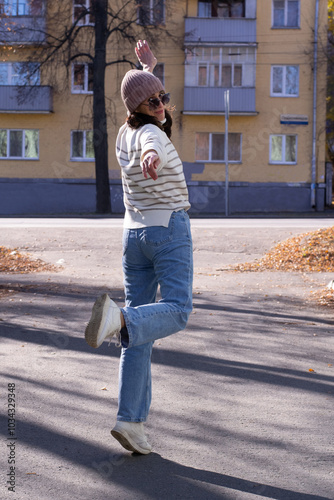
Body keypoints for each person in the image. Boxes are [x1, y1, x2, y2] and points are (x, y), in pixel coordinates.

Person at [85, 40, 193, 455]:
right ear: (139, 107)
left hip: (134, 236)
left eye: (163, 96)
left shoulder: (123, 133)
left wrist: (145, 68)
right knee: (178, 310)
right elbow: (153, 140)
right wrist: (152, 156)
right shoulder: (149, 134)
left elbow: (147, 122)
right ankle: (119, 318)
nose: (161, 104)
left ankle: (130, 422)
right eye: (153, 100)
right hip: (167, 230)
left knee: (138, 335)